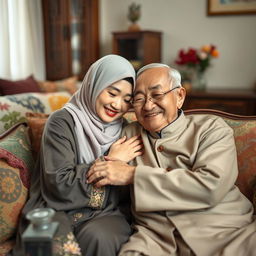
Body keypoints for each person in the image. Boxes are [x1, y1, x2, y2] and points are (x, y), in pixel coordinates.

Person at [87, 63, 256, 256]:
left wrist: (133, 174)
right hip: (156, 240)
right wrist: (111, 160)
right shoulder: (127, 134)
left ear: (180, 96)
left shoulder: (211, 129)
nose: (148, 105)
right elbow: (103, 183)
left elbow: (211, 186)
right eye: (139, 99)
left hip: (226, 232)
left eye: (157, 95)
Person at [11, 54, 143, 256]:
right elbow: (59, 183)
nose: (118, 105)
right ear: (95, 85)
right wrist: (111, 161)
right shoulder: (61, 122)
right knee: (52, 244)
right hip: (54, 206)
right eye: (112, 93)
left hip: (105, 210)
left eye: (127, 100)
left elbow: (125, 188)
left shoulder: (125, 128)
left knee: (103, 237)